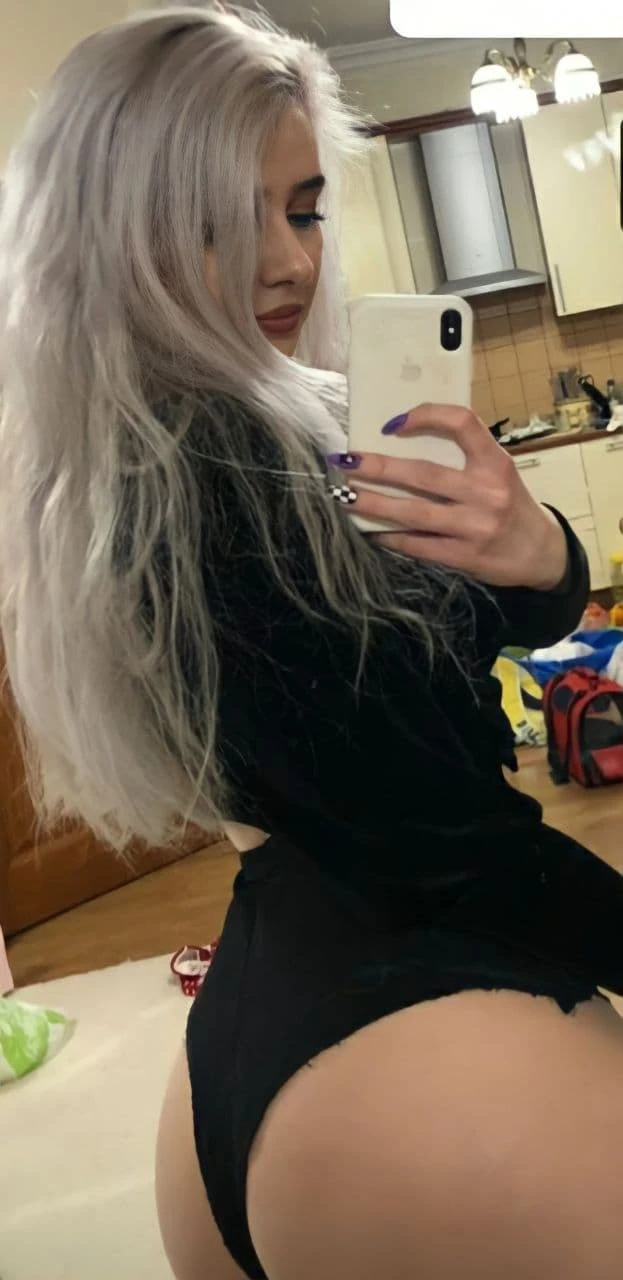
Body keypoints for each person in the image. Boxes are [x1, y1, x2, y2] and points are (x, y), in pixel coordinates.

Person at [1, 6, 623, 1279]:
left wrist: (535, 551)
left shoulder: (242, 442)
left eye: (302, 208)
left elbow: (465, 641)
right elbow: (436, 836)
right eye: (221, 220)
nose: (288, 261)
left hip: (272, 1014)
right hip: (422, 1044)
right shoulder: (211, 482)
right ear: (114, 231)